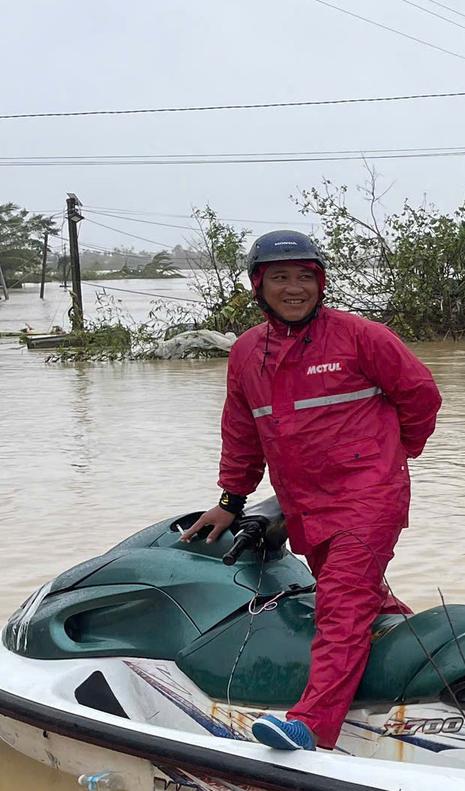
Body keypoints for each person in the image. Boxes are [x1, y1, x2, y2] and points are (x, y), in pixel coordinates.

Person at [181, 230, 442, 751]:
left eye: (306, 277)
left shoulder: (361, 336)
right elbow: (242, 431)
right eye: (280, 278)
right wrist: (231, 501)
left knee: (341, 604)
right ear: (258, 285)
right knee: (361, 599)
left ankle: (311, 725)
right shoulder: (247, 354)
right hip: (303, 503)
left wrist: (390, 458)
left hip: (368, 497)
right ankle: (428, 668)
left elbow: (421, 398)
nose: (294, 288)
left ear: (321, 282)